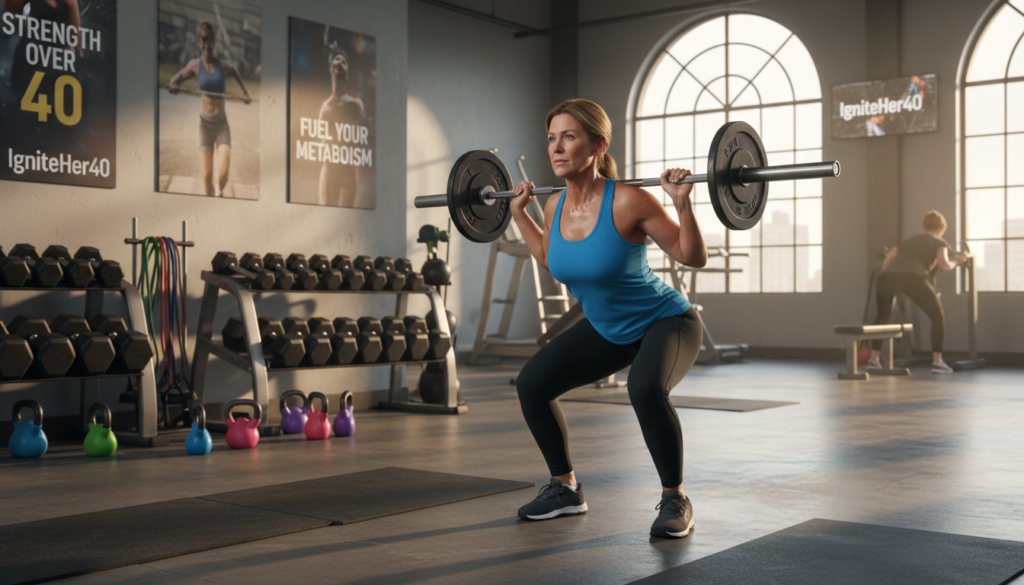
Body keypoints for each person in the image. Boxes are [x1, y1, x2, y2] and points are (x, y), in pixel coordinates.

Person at [510, 99, 707, 538]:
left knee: (644, 387)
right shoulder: (553, 207)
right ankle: (565, 489)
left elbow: (692, 256)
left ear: (597, 145)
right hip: (608, 330)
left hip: (665, 321)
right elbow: (551, 259)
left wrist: (681, 204)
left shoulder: (629, 201)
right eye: (551, 138)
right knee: (532, 384)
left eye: (569, 137)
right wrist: (519, 213)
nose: (556, 148)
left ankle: (675, 498)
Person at [869, 210, 966, 374]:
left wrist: (890, 278)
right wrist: (957, 262)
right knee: (937, 317)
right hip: (913, 277)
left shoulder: (907, 241)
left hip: (887, 278)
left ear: (924, 226)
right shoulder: (939, 242)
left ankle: (873, 361)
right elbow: (943, 265)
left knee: (882, 316)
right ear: (941, 227)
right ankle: (937, 362)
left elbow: (888, 259)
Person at [167, 21, 252, 197]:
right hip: (205, 125)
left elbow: (235, 71)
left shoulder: (223, 66)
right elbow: (178, 76)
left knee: (224, 172)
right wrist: (173, 85)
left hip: (221, 125)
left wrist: (245, 93)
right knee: (206, 177)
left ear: (213, 41)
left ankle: (219, 190)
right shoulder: (195, 65)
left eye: (208, 40)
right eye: (202, 40)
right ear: (199, 42)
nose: (205, 44)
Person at [318, 46, 365, 207]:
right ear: (331, 67)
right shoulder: (324, 106)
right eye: (337, 59)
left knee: (347, 217)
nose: (340, 62)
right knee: (327, 214)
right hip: (329, 169)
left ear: (347, 72)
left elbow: (360, 138)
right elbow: (320, 137)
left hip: (348, 171)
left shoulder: (355, 104)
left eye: (344, 61)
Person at [6, 0, 82, 98]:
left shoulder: (69, 3)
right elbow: (10, 11)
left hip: (56, 60)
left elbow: (76, 32)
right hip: (31, 57)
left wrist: (74, 50)